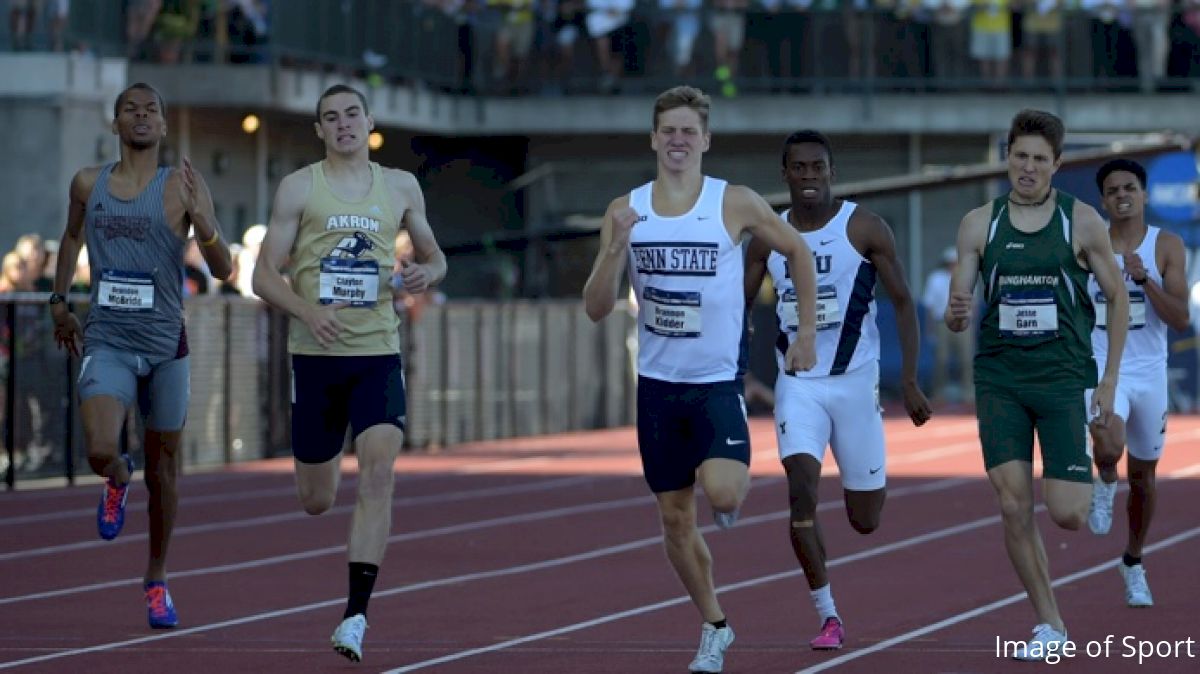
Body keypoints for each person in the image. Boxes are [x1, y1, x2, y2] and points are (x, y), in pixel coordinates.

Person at [582, 85, 817, 674]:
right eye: (669, 131)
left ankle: (729, 486)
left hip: (715, 382)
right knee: (674, 519)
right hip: (657, 387)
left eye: (690, 131)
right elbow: (595, 307)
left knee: (724, 494)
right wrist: (615, 248)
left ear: (705, 140)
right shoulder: (624, 208)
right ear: (654, 139)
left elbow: (799, 251)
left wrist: (807, 333)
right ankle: (715, 625)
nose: (679, 140)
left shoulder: (731, 203)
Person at [251, 83, 447, 663]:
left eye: (351, 115)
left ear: (369, 122)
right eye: (330, 118)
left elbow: (436, 257)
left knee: (380, 470)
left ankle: (356, 614)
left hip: (377, 354)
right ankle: (321, 469)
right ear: (319, 130)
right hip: (315, 358)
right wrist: (309, 311)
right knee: (317, 498)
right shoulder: (299, 188)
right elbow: (264, 277)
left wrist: (424, 276)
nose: (342, 125)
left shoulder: (400, 186)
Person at [944, 109, 1129, 660]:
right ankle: (1051, 624)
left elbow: (1116, 297)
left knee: (1069, 513)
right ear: (1007, 158)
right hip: (1001, 378)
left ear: (1057, 165)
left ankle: (1106, 469)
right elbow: (959, 306)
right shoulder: (980, 222)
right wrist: (956, 312)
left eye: (1039, 160)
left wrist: (1110, 379)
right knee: (1013, 505)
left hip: (1062, 377)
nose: (1027, 168)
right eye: (1019, 156)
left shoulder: (1082, 221)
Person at [48, 82, 233, 629]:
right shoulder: (89, 182)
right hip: (107, 338)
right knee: (102, 448)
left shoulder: (182, 187)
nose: (142, 116)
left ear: (164, 125)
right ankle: (113, 477)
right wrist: (60, 301)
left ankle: (156, 578)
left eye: (152, 109)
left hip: (165, 348)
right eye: (131, 109)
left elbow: (223, 270)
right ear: (116, 124)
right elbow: (70, 237)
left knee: (165, 472)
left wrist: (206, 224)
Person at [743, 129, 932, 652]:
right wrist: (731, 368)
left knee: (865, 520)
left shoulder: (865, 227)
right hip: (798, 384)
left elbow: (902, 302)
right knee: (800, 488)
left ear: (832, 171)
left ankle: (858, 494)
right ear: (784, 174)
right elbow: (738, 307)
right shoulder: (767, 236)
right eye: (798, 168)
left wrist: (910, 380)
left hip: (855, 384)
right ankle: (828, 614)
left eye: (817, 168)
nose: (808, 177)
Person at [1084, 158, 1189, 607]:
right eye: (1112, 190)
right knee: (1109, 441)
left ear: (1144, 195)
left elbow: (1181, 319)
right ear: (1103, 200)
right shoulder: (1088, 246)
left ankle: (1132, 560)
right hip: (1103, 366)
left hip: (1149, 372)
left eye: (1129, 187)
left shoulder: (1166, 245)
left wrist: (1144, 279)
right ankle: (1104, 477)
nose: (1121, 195)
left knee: (1144, 479)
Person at [921, 245, 974, 403]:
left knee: (966, 358)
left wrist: (972, 324)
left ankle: (968, 391)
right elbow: (929, 306)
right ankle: (939, 392)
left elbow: (974, 304)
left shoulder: (967, 277)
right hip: (941, 323)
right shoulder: (935, 278)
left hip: (963, 321)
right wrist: (929, 329)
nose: (952, 265)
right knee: (941, 359)